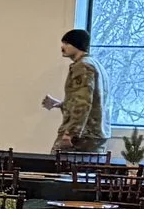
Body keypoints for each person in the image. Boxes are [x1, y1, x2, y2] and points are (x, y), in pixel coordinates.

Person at [41, 27, 105, 155]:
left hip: (82, 134)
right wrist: (63, 104)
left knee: (56, 163)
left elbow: (83, 102)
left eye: (67, 43)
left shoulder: (83, 66)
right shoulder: (94, 63)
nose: (62, 47)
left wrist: (70, 133)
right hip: (92, 133)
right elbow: (89, 98)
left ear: (77, 45)